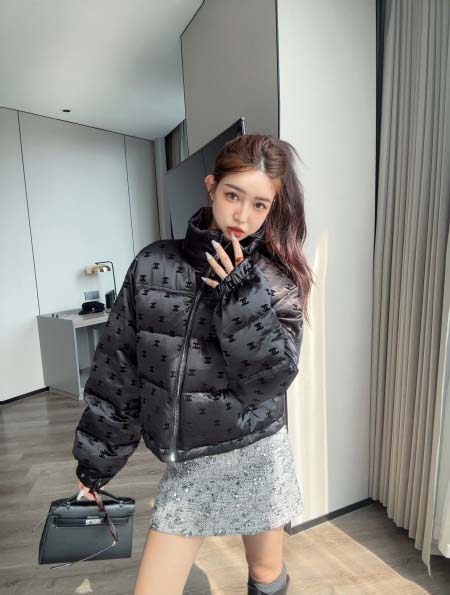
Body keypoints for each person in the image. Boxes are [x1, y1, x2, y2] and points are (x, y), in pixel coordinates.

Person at [73, 133, 314, 595]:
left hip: (255, 451)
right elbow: (117, 373)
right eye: (233, 196)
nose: (242, 216)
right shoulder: (152, 265)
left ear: (272, 208)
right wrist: (95, 465)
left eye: (259, 205)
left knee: (266, 575)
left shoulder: (273, 281)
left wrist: (241, 294)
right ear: (211, 186)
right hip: (188, 466)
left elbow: (269, 383)